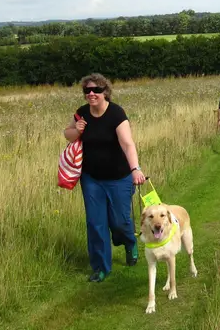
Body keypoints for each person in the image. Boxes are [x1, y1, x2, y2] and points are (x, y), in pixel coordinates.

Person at [64, 73, 146, 283]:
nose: (91, 94)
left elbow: (128, 144)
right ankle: (101, 267)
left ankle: (129, 242)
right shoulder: (82, 113)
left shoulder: (116, 113)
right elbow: (67, 134)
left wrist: (135, 168)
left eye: (96, 90)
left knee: (120, 221)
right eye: (87, 91)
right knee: (95, 223)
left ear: (105, 92)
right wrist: (76, 129)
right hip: (92, 179)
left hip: (119, 177)